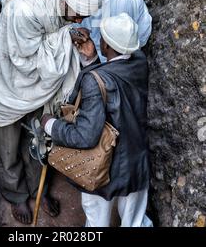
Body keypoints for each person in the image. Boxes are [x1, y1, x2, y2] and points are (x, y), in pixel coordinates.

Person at [0, 0, 107, 224]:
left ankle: (39, 189)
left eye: (85, 15)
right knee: (8, 145)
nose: (80, 19)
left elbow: (50, 49)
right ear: (68, 1)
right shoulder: (24, 12)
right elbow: (24, 60)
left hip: (37, 85)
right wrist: (65, 37)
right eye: (79, 14)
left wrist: (68, 34)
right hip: (6, 80)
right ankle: (16, 195)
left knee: (38, 137)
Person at [41, 13, 153, 227]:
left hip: (103, 169)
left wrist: (50, 125)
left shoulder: (94, 81)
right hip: (136, 162)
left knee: (96, 226)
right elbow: (111, 84)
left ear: (108, 45)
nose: (99, 40)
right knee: (136, 223)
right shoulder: (140, 62)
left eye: (102, 38)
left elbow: (85, 136)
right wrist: (91, 60)